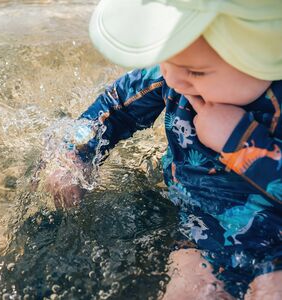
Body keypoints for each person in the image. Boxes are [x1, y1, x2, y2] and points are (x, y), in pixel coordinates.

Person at [40, 0, 282, 298]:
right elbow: (113, 108)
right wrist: (75, 153)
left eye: (198, 73)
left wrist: (242, 144)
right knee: (190, 289)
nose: (172, 78)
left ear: (266, 54)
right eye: (165, 61)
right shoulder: (176, 73)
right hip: (201, 229)